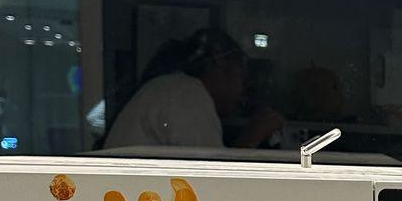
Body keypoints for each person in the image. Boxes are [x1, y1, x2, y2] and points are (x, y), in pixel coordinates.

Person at [103, 27, 283, 150]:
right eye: (240, 77)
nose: (241, 91)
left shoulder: (173, 88)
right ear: (221, 64)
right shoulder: (187, 95)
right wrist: (254, 135)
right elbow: (212, 180)